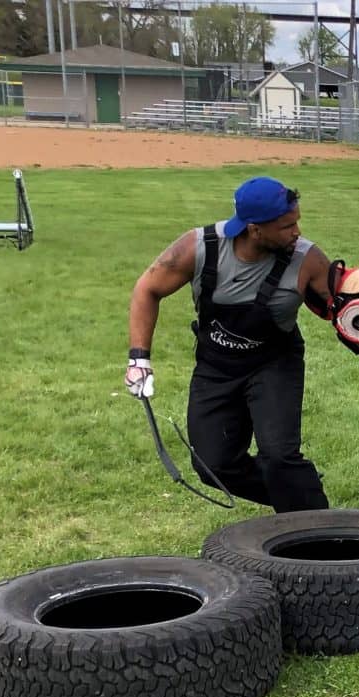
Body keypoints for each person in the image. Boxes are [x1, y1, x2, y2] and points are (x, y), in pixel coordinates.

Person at [124, 175, 334, 512]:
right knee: (214, 466)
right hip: (217, 367)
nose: (297, 231)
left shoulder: (306, 257)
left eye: (297, 222)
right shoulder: (200, 247)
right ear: (254, 230)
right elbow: (147, 289)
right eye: (286, 226)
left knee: (279, 456)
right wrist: (139, 359)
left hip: (274, 363)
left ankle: (315, 524)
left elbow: (340, 303)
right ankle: (300, 494)